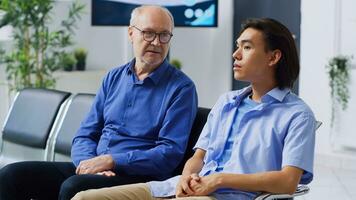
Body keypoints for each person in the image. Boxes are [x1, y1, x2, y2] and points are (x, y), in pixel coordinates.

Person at [72, 18, 316, 200]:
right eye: (237, 46)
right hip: (181, 188)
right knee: (84, 198)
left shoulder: (296, 115)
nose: (235, 54)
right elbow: (198, 157)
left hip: (230, 196)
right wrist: (188, 177)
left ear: (273, 57)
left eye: (247, 47)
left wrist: (218, 181)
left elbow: (288, 181)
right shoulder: (227, 102)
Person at [0, 5, 198, 200]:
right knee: (11, 176)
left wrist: (111, 162)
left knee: (74, 188)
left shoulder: (182, 88)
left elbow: (169, 154)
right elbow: (85, 134)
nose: (156, 42)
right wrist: (90, 164)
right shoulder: (113, 77)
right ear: (131, 34)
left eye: (164, 35)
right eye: (148, 33)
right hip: (96, 167)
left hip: (138, 176)